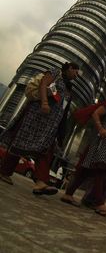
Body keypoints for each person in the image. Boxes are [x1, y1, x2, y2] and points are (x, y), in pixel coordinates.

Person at [0, 62, 79, 195]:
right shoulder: (55, 72)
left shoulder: (68, 89)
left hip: (49, 127)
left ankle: (41, 182)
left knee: (45, 151)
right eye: (76, 72)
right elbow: (44, 84)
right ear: (70, 68)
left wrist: (60, 132)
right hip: (35, 116)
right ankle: (4, 172)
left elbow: (64, 112)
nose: (77, 75)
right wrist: (44, 102)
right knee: (19, 142)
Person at [60, 95, 106, 216]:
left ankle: (68, 194)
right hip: (100, 145)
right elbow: (96, 114)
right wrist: (101, 129)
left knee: (85, 171)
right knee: (99, 171)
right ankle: (99, 203)